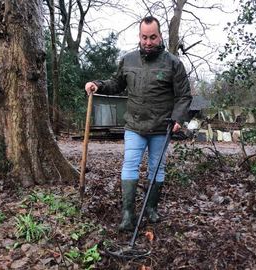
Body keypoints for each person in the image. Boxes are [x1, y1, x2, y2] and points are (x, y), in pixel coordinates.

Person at [85, 16, 192, 232]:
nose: (148, 42)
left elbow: (184, 96)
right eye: (144, 37)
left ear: (160, 36)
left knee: (157, 168)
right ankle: (128, 214)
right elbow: (116, 84)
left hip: (162, 127)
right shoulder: (128, 60)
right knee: (129, 166)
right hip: (134, 125)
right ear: (139, 36)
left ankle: (151, 209)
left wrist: (178, 119)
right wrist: (98, 85)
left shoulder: (173, 63)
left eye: (153, 37)